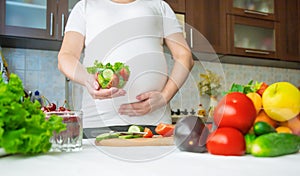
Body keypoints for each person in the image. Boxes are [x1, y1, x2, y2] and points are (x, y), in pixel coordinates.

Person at [58, 0, 193, 135]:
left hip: (155, 123)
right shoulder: (85, 6)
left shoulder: (159, 5)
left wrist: (165, 96)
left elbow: (184, 56)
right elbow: (66, 56)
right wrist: (88, 79)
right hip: (98, 123)